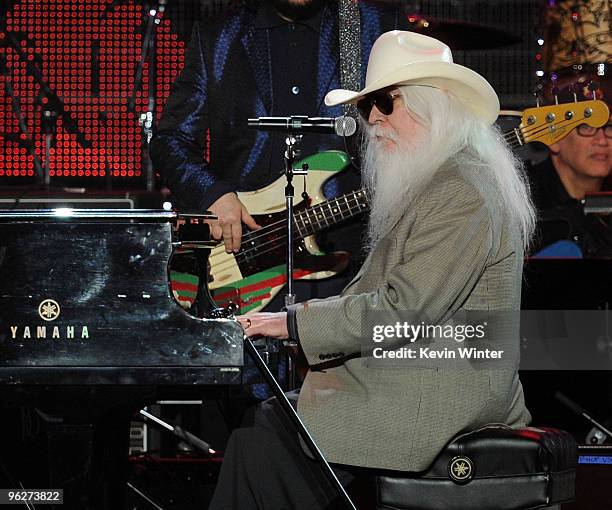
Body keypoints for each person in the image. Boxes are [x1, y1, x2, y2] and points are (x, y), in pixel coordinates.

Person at [208, 30, 536, 509]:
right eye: (366, 108)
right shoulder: (440, 180)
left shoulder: (460, 190)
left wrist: (290, 323)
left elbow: (404, 312)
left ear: (435, 105)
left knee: (262, 440)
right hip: (412, 375)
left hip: (438, 393)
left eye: (386, 102)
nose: (373, 120)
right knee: (263, 430)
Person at [150, 0, 408, 305]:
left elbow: (417, 123)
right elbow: (171, 139)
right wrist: (212, 194)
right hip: (247, 259)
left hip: (357, 263)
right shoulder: (218, 38)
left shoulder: (375, 27)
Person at [528, 84, 611, 257]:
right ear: (554, 140)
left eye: (609, 128)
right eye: (587, 128)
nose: (602, 141)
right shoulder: (523, 201)